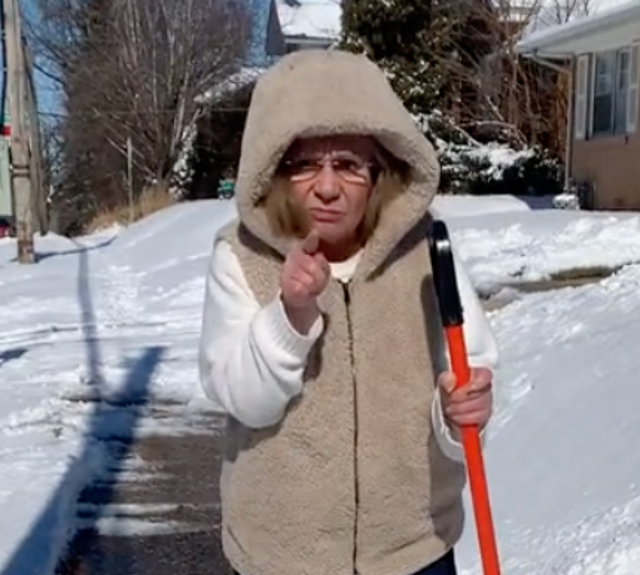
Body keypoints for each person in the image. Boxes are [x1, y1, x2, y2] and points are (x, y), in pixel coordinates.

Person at [198, 49, 499, 575]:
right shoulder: (240, 258)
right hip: (283, 558)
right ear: (272, 170)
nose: (329, 186)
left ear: (380, 172)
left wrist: (460, 414)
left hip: (414, 550)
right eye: (305, 164)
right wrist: (290, 315)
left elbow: (465, 375)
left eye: (348, 165)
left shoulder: (424, 253)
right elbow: (246, 401)